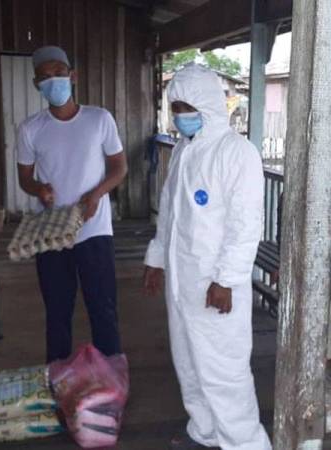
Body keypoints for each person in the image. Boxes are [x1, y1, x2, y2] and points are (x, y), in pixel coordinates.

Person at [143, 64, 272, 450]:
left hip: (216, 284)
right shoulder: (183, 150)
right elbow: (169, 212)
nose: (179, 115)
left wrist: (227, 280)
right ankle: (205, 432)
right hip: (183, 283)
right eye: (175, 107)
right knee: (190, 365)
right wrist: (156, 259)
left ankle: (246, 443)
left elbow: (246, 224)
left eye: (186, 106)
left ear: (208, 105)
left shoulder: (237, 153)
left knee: (224, 372)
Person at [17, 45, 128, 363]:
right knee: (57, 311)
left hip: (94, 228)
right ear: (37, 84)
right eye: (45, 77)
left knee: (103, 307)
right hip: (51, 230)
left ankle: (111, 379)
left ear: (72, 76)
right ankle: (58, 379)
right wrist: (38, 189)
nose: (54, 82)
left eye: (59, 74)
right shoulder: (31, 129)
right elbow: (25, 178)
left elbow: (119, 168)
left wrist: (96, 194)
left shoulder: (99, 119)